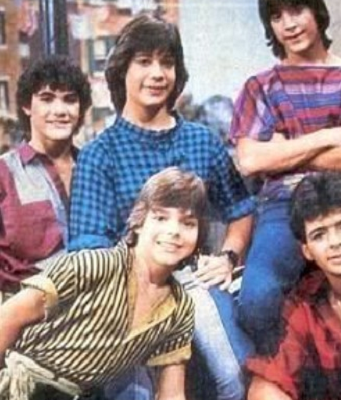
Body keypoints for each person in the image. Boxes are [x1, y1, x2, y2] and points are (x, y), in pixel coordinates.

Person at [69, 12, 255, 400]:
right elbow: (87, 246)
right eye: (144, 61)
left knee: (237, 376)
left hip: (195, 281)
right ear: (122, 70)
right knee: (133, 393)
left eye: (166, 63)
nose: (157, 74)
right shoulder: (98, 154)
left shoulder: (202, 141)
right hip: (126, 289)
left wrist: (227, 256)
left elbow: (240, 209)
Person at [229, 0, 341, 352]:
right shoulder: (259, 87)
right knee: (257, 300)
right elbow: (251, 160)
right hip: (282, 208)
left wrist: (283, 152)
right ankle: (293, 369)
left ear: (317, 11)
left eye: (296, 10)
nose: (288, 24)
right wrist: (328, 137)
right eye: (276, 16)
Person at [0, 167, 207, 400]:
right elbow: (8, 317)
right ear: (139, 222)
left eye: (188, 223)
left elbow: (172, 394)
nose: (174, 231)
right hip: (17, 384)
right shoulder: (94, 265)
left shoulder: (180, 308)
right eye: (161, 218)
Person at [247, 171, 341, 400]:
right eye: (319, 235)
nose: (335, 243)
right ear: (307, 251)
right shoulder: (304, 305)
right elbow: (264, 385)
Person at [0, 56, 91, 298]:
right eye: (47, 99)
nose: (59, 111)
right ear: (27, 106)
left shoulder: (95, 168)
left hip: (99, 304)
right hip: (26, 307)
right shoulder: (4, 173)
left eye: (70, 99)